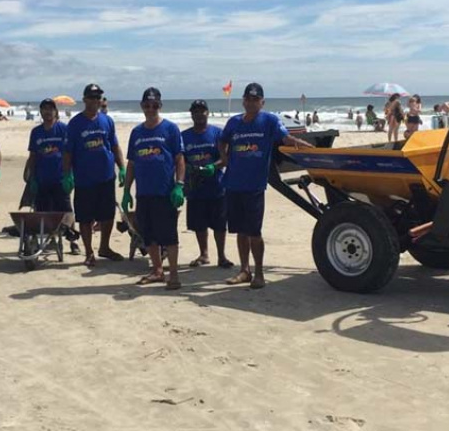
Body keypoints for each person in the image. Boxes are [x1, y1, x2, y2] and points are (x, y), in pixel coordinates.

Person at [219, 83, 313, 289]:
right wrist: (225, 159)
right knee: (239, 231)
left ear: (262, 102)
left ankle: (259, 273)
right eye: (248, 99)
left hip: (254, 185)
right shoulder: (233, 122)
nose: (251, 102)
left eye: (256, 99)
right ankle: (244, 270)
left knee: (254, 232)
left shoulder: (269, 120)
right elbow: (222, 141)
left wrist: (301, 144)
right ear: (243, 100)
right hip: (233, 184)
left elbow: (284, 137)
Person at [122, 87, 185, 289]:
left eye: (155, 105)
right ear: (142, 106)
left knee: (169, 235)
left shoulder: (170, 129)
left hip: (164, 192)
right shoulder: (137, 132)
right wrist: (126, 191)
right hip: (143, 193)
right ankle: (157, 270)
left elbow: (179, 160)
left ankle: (173, 274)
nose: (151, 109)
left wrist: (179, 185)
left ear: (160, 106)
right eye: (147, 105)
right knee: (148, 235)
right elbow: (131, 163)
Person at [62, 83, 126, 268]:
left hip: (106, 176)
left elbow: (114, 146)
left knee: (107, 215)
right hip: (84, 178)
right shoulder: (75, 124)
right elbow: (67, 152)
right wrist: (67, 175)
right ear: (84, 100)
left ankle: (104, 247)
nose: (95, 101)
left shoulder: (107, 121)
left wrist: (121, 167)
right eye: (91, 97)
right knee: (85, 217)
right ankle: (89, 252)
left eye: (98, 97)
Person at [181, 99, 233, 270]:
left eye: (202, 111)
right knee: (199, 224)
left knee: (219, 224)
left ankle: (222, 256)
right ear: (191, 114)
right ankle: (204, 254)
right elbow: (180, 160)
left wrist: (214, 166)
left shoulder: (217, 133)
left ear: (207, 113)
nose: (199, 114)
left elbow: (225, 158)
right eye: (195, 111)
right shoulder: (184, 136)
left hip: (216, 186)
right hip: (195, 187)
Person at [24, 98, 80, 253]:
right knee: (43, 212)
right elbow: (33, 156)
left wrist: (70, 175)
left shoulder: (63, 129)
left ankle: (73, 242)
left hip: (61, 178)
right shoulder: (36, 132)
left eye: (51, 109)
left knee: (67, 211)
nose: (48, 112)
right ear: (41, 112)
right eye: (44, 109)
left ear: (56, 111)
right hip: (42, 179)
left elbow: (70, 153)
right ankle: (51, 240)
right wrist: (31, 177)